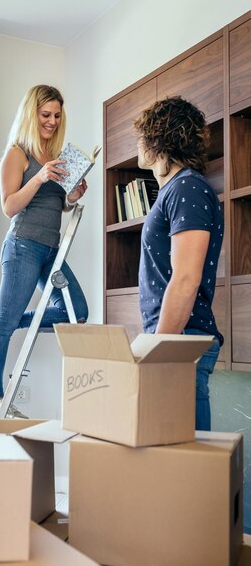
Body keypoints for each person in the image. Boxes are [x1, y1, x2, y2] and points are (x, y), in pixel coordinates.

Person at [0, 84, 89, 418]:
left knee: (77, 312)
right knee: (5, 324)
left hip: (51, 252)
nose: (52, 121)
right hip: (23, 247)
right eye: (46, 115)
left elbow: (58, 206)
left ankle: (7, 320)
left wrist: (72, 197)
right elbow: (9, 206)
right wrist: (40, 176)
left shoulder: (57, 156)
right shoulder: (17, 154)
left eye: (57, 115)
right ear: (32, 113)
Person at [133, 96, 224, 431]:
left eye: (143, 134)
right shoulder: (175, 190)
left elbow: (185, 279)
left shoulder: (188, 188)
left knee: (187, 468)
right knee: (173, 464)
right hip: (174, 341)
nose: (139, 142)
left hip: (181, 345)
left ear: (161, 137)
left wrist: (159, 348)